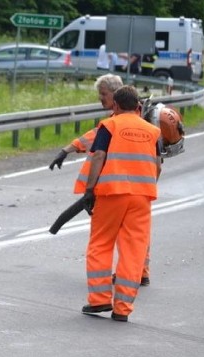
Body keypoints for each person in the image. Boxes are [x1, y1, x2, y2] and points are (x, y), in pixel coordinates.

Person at [49, 74, 152, 286]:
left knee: (112, 240)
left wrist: (90, 190)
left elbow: (99, 152)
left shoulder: (126, 120)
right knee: (134, 236)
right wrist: (66, 149)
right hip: (139, 189)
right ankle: (139, 272)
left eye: (103, 94)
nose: (100, 98)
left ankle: (124, 280)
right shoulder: (124, 118)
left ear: (115, 96)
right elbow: (95, 135)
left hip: (122, 188)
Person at [77, 85, 162, 322]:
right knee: (134, 250)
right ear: (138, 107)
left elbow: (99, 156)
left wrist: (90, 189)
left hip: (111, 194)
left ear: (114, 106)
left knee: (101, 244)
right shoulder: (152, 131)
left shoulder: (110, 125)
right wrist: (146, 186)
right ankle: (122, 308)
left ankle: (100, 300)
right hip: (142, 197)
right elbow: (158, 164)